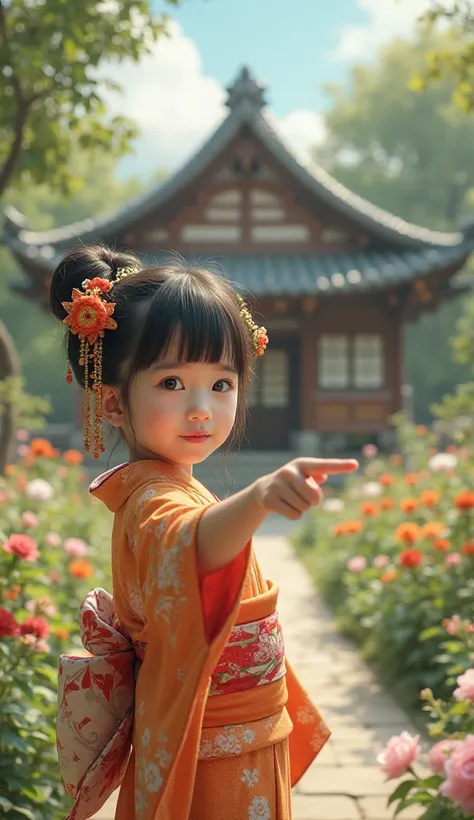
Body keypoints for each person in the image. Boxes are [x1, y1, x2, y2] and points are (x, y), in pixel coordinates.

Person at [51, 243, 358, 820]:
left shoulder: (173, 484)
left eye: (221, 384)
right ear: (113, 403)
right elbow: (191, 544)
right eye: (171, 383)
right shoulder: (153, 499)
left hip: (239, 731)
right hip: (208, 749)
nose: (201, 408)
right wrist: (262, 496)